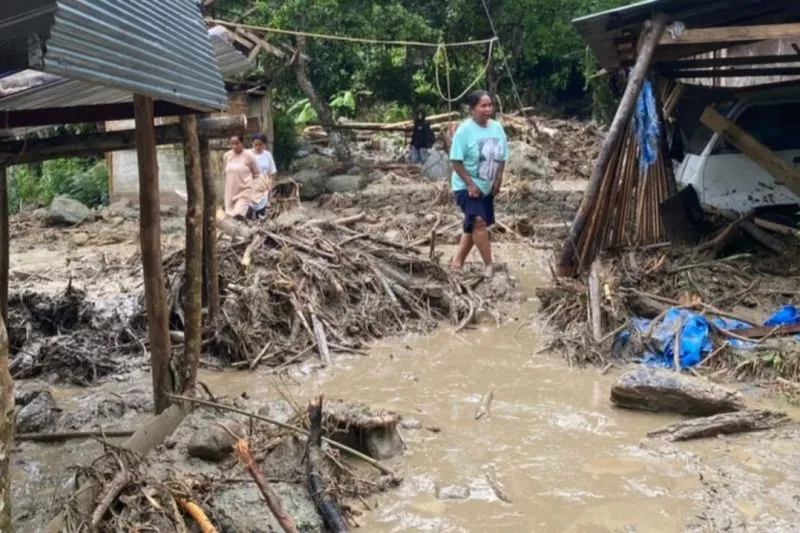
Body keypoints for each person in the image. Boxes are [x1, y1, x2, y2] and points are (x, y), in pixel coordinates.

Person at [449, 90, 508, 277]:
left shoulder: (497, 128)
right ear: (472, 109)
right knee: (479, 222)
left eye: (490, 105)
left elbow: (502, 156)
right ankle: (489, 265)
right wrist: (469, 184)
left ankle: (457, 263)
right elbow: (456, 160)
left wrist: (498, 178)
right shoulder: (464, 131)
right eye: (483, 105)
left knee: (472, 226)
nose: (488, 109)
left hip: (486, 186)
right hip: (465, 185)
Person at [223, 135, 261, 221]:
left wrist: (254, 190)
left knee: (238, 215)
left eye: (237, 143)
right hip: (230, 193)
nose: (234, 146)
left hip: (244, 191)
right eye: (232, 144)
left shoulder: (249, 156)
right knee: (230, 219)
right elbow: (226, 173)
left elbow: (256, 174)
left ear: (242, 143)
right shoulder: (226, 156)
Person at [249, 132, 277, 216]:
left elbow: (271, 172)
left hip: (263, 188)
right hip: (250, 187)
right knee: (247, 212)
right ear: (252, 143)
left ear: (264, 144)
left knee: (261, 214)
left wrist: (270, 186)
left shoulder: (267, 155)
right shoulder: (247, 154)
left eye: (260, 145)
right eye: (255, 144)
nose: (258, 147)